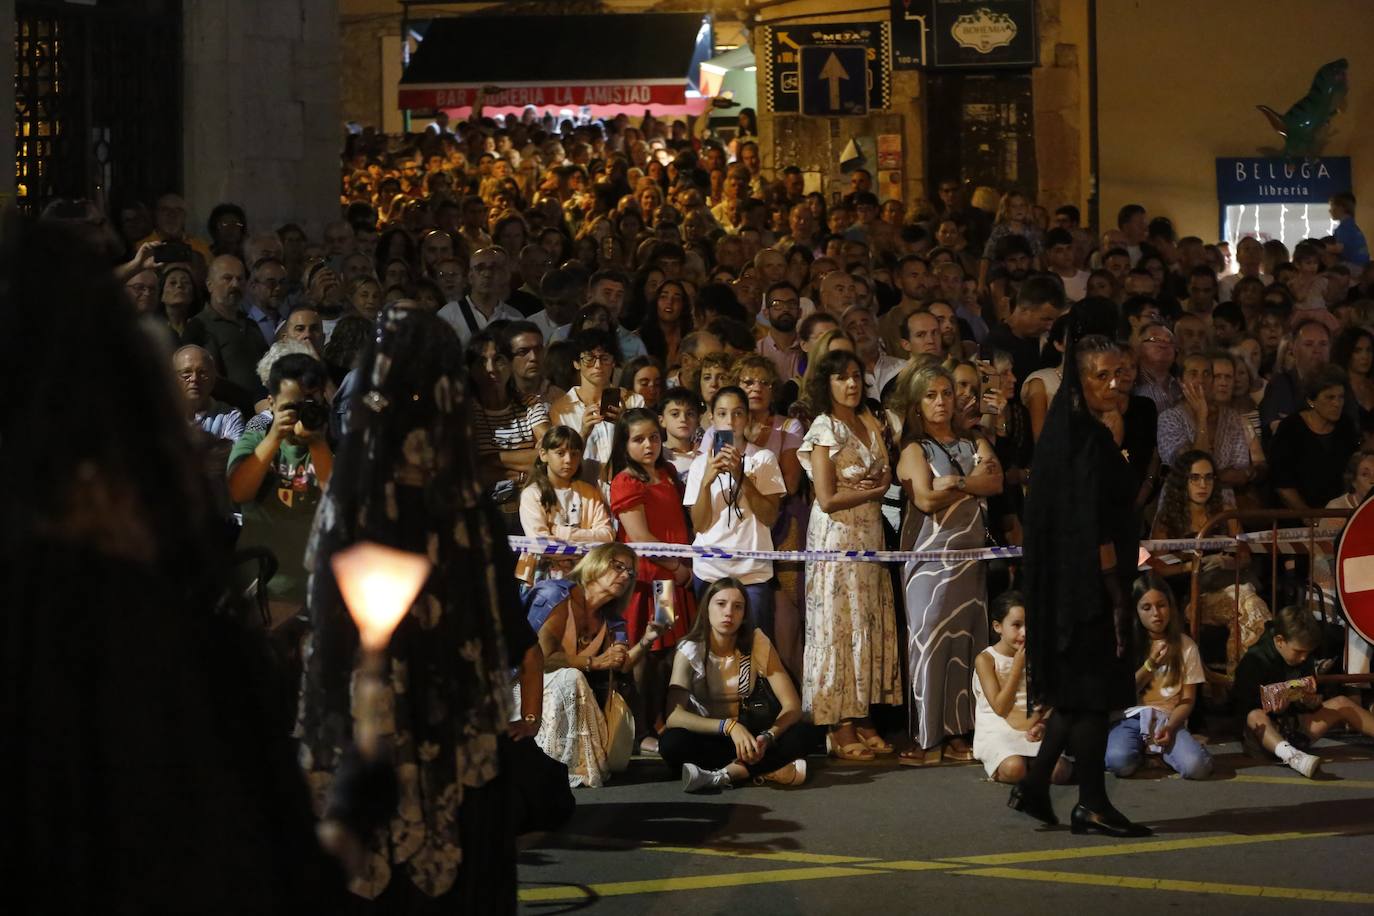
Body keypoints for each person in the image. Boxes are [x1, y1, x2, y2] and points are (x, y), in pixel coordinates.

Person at [297, 307, 538, 910]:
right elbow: (504, 626)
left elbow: (324, 620)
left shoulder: (352, 499)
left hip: (367, 725)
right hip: (450, 728)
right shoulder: (463, 507)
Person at [1013, 331, 1151, 838]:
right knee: (1091, 699)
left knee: (1075, 697)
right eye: (1102, 375)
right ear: (1080, 378)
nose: (1116, 384)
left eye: (1121, 374)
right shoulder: (1083, 440)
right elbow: (1090, 523)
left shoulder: (1074, 431)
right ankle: (1092, 804)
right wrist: (1114, 590)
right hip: (1087, 590)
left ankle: (1033, 788)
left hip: (1072, 587)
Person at [894, 362, 1002, 765]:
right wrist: (968, 483)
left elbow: (994, 481)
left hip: (970, 560)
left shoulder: (973, 440)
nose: (941, 401)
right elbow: (923, 499)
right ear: (917, 404)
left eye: (946, 393)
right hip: (929, 564)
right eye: (931, 395)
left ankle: (959, 736)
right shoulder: (912, 448)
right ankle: (927, 741)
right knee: (929, 646)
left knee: (967, 643)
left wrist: (955, 483)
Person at [798, 351, 901, 761]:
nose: (851, 384)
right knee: (839, 626)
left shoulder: (871, 421)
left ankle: (862, 714)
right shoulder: (825, 427)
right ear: (828, 383)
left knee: (867, 620)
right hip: (836, 538)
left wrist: (882, 483)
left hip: (870, 534)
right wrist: (874, 492)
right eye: (842, 378)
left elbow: (886, 470)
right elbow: (826, 498)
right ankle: (838, 723)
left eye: (856, 376)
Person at [523, 543, 662, 788]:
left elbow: (623, 666)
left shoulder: (613, 621)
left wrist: (647, 640)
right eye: (617, 566)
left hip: (571, 695)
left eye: (630, 572)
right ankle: (550, 764)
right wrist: (594, 662)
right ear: (595, 563)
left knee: (573, 678)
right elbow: (541, 657)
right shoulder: (555, 595)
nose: (624, 576)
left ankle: (575, 765)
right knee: (571, 677)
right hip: (526, 686)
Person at [662, 578, 816, 792]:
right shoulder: (690, 649)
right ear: (706, 609)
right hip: (712, 734)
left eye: (738, 607)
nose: (729, 613)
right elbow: (673, 716)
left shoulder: (756, 641)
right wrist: (728, 727)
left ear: (744, 615)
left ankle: (723, 775)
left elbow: (792, 705)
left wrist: (769, 736)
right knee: (672, 743)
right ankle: (765, 770)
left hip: (753, 736)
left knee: (804, 734)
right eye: (721, 604)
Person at [609, 407, 696, 751]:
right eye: (639, 439)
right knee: (646, 653)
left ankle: (662, 723)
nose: (649, 445)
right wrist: (676, 568)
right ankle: (641, 730)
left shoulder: (669, 472)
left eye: (654, 437)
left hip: (676, 579)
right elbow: (641, 539)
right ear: (624, 444)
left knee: (669, 655)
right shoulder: (626, 481)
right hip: (652, 581)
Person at [227, 352, 333, 624]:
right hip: (263, 582)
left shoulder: (331, 445)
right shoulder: (254, 441)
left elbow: (336, 504)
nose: (301, 413)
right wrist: (275, 437)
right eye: (292, 406)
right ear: (271, 403)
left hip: (315, 587)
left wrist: (318, 444)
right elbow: (238, 493)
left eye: (309, 403)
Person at [684, 386, 786, 631]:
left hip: (752, 572)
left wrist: (741, 475)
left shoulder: (764, 459)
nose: (730, 421)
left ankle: (745, 673)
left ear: (748, 418)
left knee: (754, 647)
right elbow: (699, 525)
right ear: (711, 418)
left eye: (737, 413)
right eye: (722, 414)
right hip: (710, 571)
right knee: (711, 646)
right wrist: (707, 480)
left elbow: (770, 516)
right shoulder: (700, 464)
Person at [1235, 605, 1374, 778]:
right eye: (1298, 652)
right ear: (1279, 640)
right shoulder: (1255, 660)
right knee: (1255, 715)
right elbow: (1241, 706)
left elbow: (1307, 695)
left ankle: (1294, 751)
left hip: (1295, 727)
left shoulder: (1304, 658)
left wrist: (1309, 702)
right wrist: (1271, 708)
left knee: (1341, 703)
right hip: (1263, 736)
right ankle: (1294, 757)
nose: (1303, 658)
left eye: (1307, 653)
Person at [1106, 574, 1212, 780]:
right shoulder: (1125, 644)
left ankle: (1169, 751)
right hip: (1131, 717)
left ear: (1170, 607)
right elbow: (1122, 693)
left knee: (1196, 768)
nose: (1156, 614)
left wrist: (1171, 727)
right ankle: (1145, 753)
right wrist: (1150, 665)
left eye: (1161, 605)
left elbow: (1187, 699)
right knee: (1119, 763)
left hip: (1168, 717)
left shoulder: (1186, 645)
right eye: (1147, 608)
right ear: (1136, 611)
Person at [973, 591, 1070, 784]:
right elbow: (999, 707)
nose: (1024, 632)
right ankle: (1018, 765)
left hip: (1032, 728)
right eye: (1016, 625)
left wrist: (1043, 724)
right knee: (1014, 768)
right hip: (999, 729)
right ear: (998, 626)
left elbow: (1051, 700)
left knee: (1059, 771)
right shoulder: (986, 659)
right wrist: (1017, 668)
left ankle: (1034, 764)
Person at [549, 329, 644, 486]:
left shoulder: (633, 401)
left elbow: (648, 447)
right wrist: (583, 434)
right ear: (576, 363)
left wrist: (626, 423)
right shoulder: (561, 410)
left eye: (604, 358)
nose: (598, 365)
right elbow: (559, 463)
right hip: (584, 495)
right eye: (589, 359)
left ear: (613, 362)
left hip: (629, 488)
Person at [519, 426, 614, 578]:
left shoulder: (589, 492)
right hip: (543, 574)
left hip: (584, 572)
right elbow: (540, 542)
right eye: (560, 453)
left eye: (574, 454)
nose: (569, 460)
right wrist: (584, 542)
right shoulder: (532, 494)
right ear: (544, 455)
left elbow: (607, 535)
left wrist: (564, 532)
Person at [184, 254, 268, 415]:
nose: (235, 284)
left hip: (262, 415)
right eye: (227, 278)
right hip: (228, 418)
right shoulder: (199, 326)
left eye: (240, 279)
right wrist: (253, 401)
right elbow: (209, 379)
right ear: (209, 285)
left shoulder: (251, 324)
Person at [1269, 366, 1360, 509]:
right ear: (1311, 401)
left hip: (1337, 514)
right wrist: (1311, 518)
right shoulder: (1290, 428)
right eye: (1330, 397)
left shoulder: (1345, 426)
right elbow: (1283, 485)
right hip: (1296, 517)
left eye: (1341, 397)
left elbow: (1352, 473)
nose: (1337, 403)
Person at [659, 387, 701, 482]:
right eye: (675, 414)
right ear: (662, 420)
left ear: (698, 420)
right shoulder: (657, 455)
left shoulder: (706, 454)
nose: (683, 419)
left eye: (690, 414)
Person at [1329, 191, 1369, 268]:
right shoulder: (1352, 225)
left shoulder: (1344, 227)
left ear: (1340, 208)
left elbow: (1338, 248)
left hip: (1354, 266)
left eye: (1332, 207)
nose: (1330, 211)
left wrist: (1319, 247)